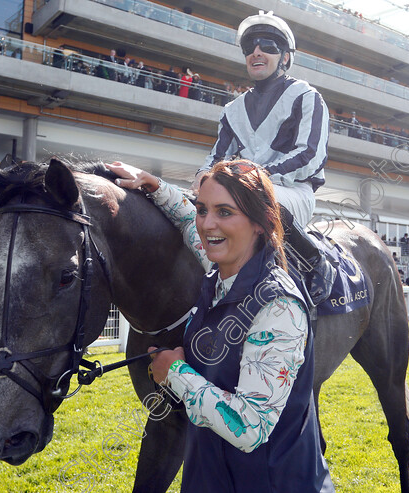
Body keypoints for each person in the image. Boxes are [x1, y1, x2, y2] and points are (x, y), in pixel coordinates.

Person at [106, 160, 334, 492]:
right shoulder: (221, 268)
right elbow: (188, 221)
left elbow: (250, 426)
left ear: (260, 223)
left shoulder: (278, 307)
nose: (208, 224)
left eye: (224, 212)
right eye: (204, 209)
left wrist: (176, 373)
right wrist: (154, 184)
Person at [197, 11, 332, 304]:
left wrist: (256, 179)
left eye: (267, 45)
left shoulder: (306, 96)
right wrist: (202, 182)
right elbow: (214, 158)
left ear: (284, 57)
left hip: (293, 192)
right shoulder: (232, 109)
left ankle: (315, 261)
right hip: (241, 191)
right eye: (250, 47)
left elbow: (310, 155)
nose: (256, 52)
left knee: (256, 199)